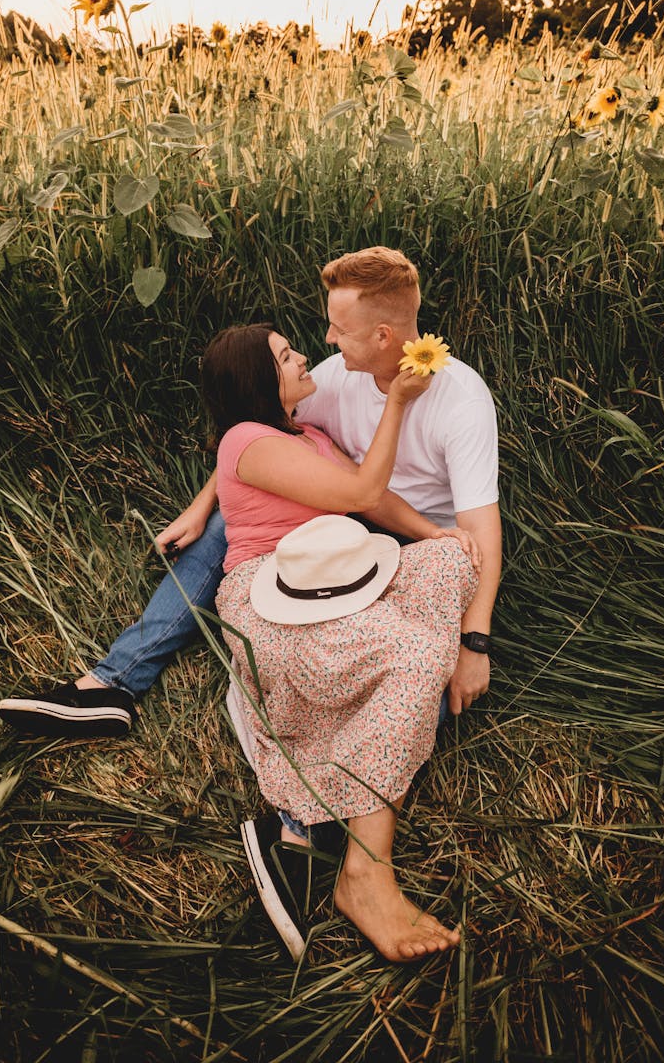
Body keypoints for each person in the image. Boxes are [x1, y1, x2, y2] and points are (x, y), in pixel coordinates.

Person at [0, 246, 500, 739]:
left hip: (415, 541)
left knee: (426, 678)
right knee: (220, 529)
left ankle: (322, 789)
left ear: (384, 335)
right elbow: (259, 437)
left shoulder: (461, 399)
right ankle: (112, 684)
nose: (325, 340)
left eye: (340, 330)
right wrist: (202, 504)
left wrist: (474, 642)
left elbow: (478, 532)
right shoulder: (334, 377)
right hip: (339, 520)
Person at [200, 323, 480, 962]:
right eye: (284, 356)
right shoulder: (246, 440)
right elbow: (360, 492)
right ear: (256, 382)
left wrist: (434, 535)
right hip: (272, 596)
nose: (302, 356)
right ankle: (364, 872)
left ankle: (339, 784)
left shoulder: (311, 435)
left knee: (452, 566)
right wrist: (399, 404)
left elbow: (377, 507)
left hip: (341, 580)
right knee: (414, 656)